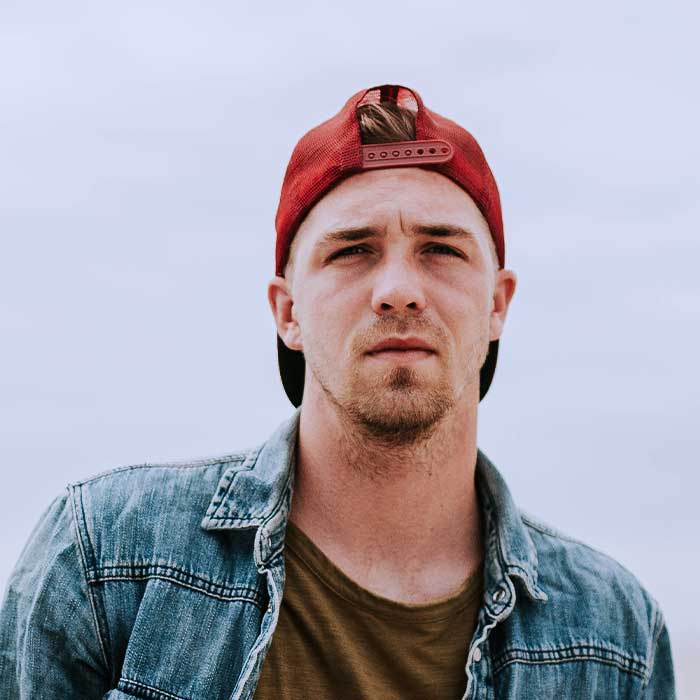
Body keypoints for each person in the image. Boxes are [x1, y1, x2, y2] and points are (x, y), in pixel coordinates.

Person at [0, 84, 675, 699]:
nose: (399, 290)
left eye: (441, 249)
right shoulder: (107, 557)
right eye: (352, 250)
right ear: (287, 312)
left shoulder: (615, 635)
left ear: (497, 304)